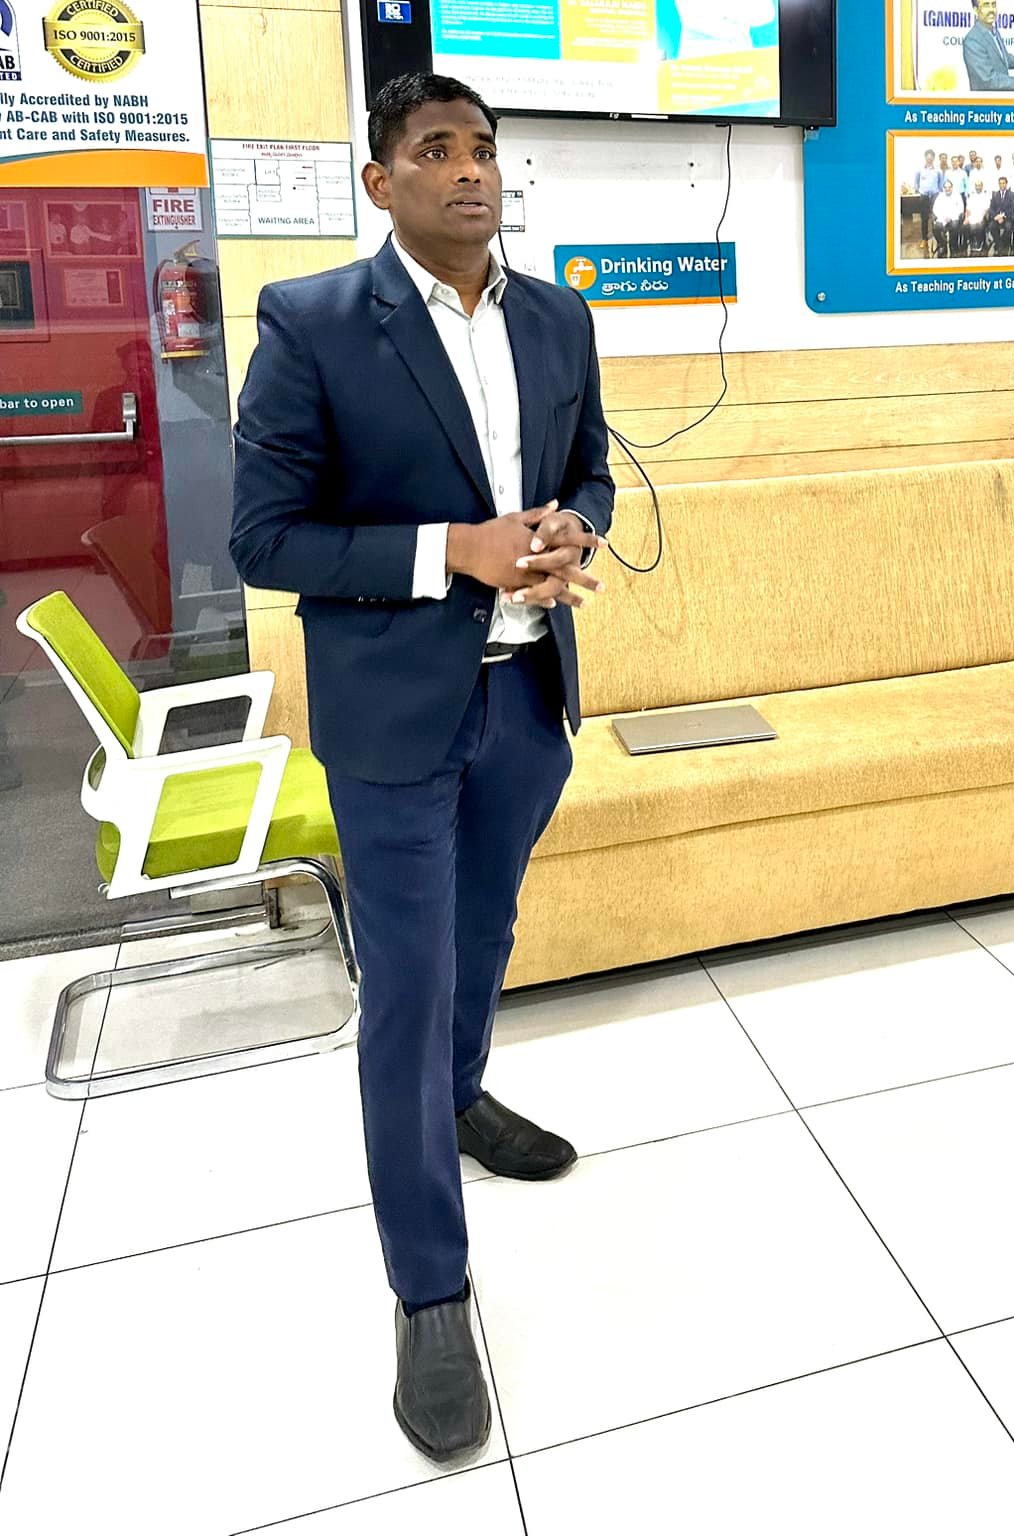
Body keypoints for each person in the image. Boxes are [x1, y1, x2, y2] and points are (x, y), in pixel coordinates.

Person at [230, 73, 614, 1464]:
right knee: (404, 985)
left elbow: (592, 472)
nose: (470, 172)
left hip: (525, 701)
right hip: (395, 720)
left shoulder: (559, 317)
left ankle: (459, 1100)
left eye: (484, 149)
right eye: (436, 150)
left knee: (485, 935)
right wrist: (452, 549)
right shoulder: (316, 321)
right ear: (381, 179)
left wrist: (569, 532)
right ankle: (430, 1286)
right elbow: (265, 538)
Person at [960, 0, 1014, 93]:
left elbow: (1005, 59)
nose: (991, 10)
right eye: (986, 5)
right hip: (986, 101)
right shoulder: (972, 40)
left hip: (1001, 98)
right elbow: (988, 80)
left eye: (993, 5)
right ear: (975, 10)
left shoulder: (994, 32)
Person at [913, 148, 943, 253]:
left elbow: (941, 183)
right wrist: (920, 190)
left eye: (931, 158)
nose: (929, 159)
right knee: (924, 218)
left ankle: (936, 239)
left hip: (935, 196)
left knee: (935, 218)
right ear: (925, 158)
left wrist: (938, 192)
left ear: (933, 158)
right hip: (924, 196)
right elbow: (916, 182)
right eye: (927, 158)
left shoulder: (938, 170)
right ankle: (924, 239)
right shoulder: (919, 170)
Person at [932, 176, 964, 257]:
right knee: (936, 228)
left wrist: (951, 217)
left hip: (954, 218)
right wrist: (943, 217)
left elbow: (960, 209)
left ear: (952, 187)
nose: (947, 189)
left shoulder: (957, 196)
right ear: (943, 188)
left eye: (949, 187)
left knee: (954, 226)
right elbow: (935, 209)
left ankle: (953, 246)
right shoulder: (940, 196)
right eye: (946, 187)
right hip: (942, 218)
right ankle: (942, 245)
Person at [988, 174, 1014, 255]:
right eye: (1000, 183)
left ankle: (1001, 244)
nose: (1002, 185)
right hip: (997, 218)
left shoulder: (1011, 194)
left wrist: (1003, 216)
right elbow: (991, 208)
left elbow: (1012, 208)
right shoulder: (995, 194)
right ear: (998, 184)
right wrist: (996, 216)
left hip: (1007, 217)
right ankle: (1000, 244)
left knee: (1008, 227)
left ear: (1006, 184)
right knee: (991, 226)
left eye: (1003, 183)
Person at [964, 173, 992, 255]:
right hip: (972, 215)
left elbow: (987, 209)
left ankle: (979, 243)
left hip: (982, 216)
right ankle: (972, 242)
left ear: (982, 186)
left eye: (979, 185)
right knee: (965, 225)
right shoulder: (971, 196)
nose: (978, 187)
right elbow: (968, 208)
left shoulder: (986, 196)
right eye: (976, 186)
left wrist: (981, 217)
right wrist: (966, 218)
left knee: (979, 225)